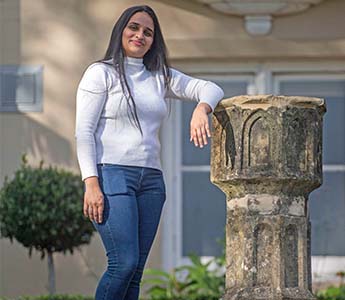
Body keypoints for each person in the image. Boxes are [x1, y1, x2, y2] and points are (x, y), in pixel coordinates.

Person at [75, 5, 224, 300]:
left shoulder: (160, 76)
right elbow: (84, 132)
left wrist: (201, 109)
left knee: (136, 272)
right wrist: (91, 183)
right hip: (112, 175)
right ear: (121, 30)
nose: (140, 35)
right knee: (123, 263)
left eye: (148, 32)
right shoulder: (100, 73)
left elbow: (211, 88)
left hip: (152, 182)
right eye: (134, 27)